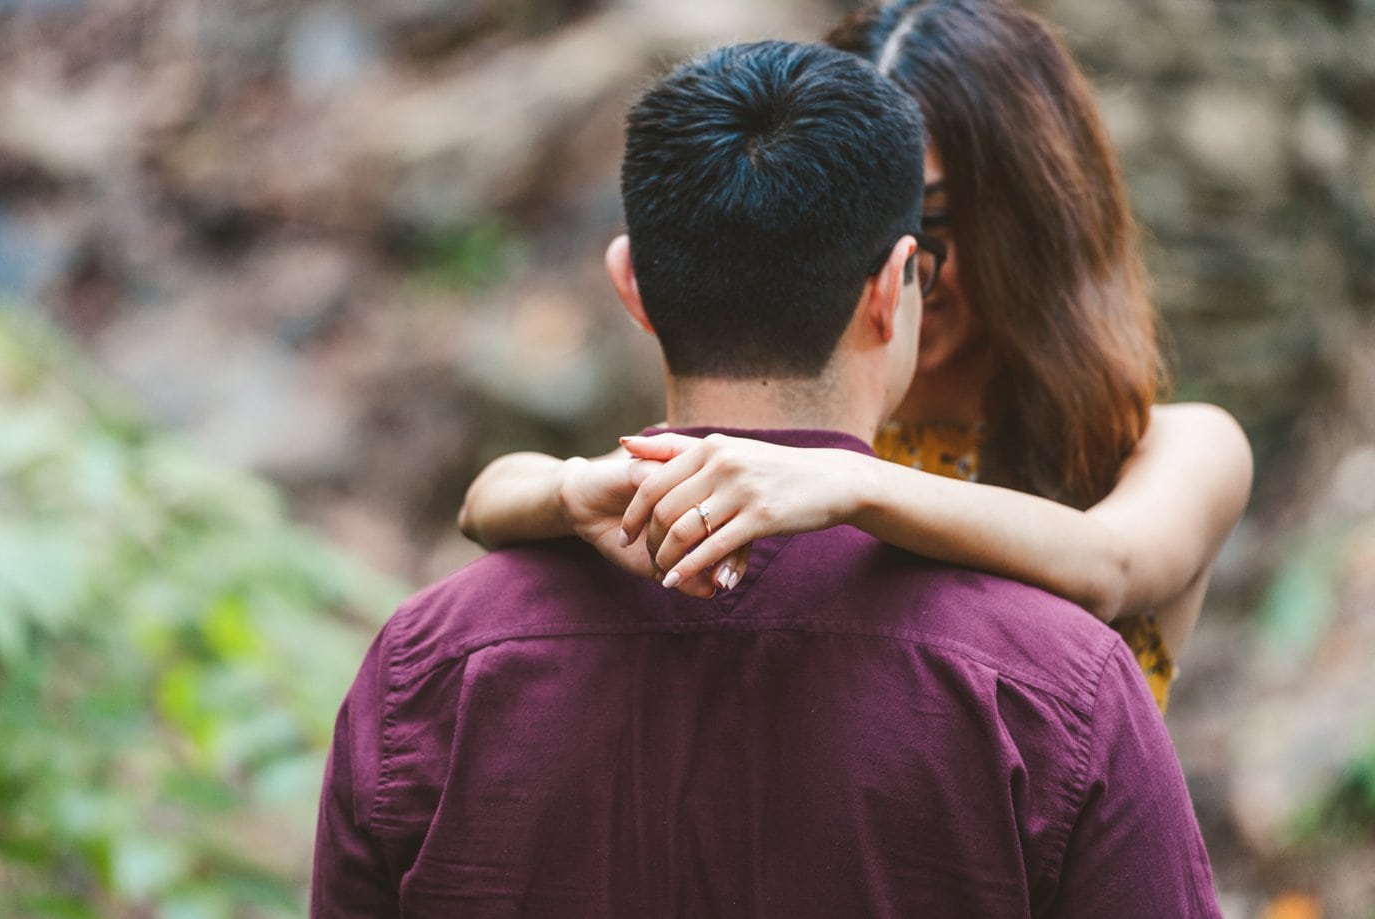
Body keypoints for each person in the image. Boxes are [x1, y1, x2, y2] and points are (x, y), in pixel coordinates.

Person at [314, 40, 1220, 915]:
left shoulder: (422, 667)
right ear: (895, 284)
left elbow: (1111, 558)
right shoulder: (1057, 685)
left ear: (631, 283)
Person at [458, 0, 1252, 713]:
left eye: (932, 219)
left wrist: (853, 481)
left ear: (1035, 219)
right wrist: (571, 489)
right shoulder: (787, 432)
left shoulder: (1177, 448)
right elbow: (489, 500)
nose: (906, 263)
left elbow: (1110, 564)